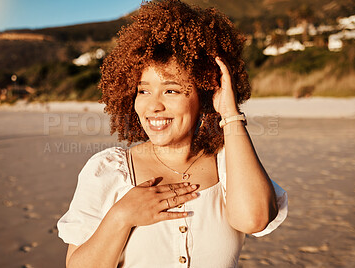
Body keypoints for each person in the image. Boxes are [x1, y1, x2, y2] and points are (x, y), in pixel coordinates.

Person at [57, 1, 288, 267]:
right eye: (143, 91)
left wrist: (229, 114)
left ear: (203, 94)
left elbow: (254, 219)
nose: (153, 105)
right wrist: (121, 216)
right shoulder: (109, 170)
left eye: (171, 90)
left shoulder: (228, 163)